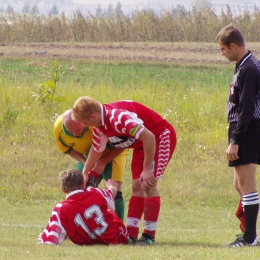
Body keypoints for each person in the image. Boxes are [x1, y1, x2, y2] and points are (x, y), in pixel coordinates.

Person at [71, 97, 177, 245]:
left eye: (86, 123)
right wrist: (85, 173)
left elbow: (149, 137)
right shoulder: (100, 126)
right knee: (136, 185)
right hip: (141, 144)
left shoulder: (118, 118)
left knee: (147, 184)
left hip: (159, 138)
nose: (86, 126)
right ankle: (131, 235)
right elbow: (96, 150)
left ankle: (148, 236)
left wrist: (147, 169)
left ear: (92, 116)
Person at [216, 24, 260, 247]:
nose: (222, 53)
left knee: (247, 183)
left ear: (233, 46)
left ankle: (250, 238)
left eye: (223, 49)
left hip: (247, 129)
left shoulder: (249, 69)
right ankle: (250, 231)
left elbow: (247, 108)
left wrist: (235, 141)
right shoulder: (242, 65)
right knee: (239, 184)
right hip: (243, 128)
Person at [53, 109, 128, 221]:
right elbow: (66, 148)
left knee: (113, 188)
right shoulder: (58, 129)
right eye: (71, 132)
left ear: (84, 121)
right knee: (76, 186)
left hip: (112, 153)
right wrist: (85, 162)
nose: (75, 134)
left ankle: (118, 228)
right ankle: (77, 224)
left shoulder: (96, 122)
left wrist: (103, 162)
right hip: (89, 157)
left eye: (78, 129)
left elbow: (123, 144)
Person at [38, 169, 129, 245]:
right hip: (113, 237)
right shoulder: (96, 193)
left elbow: (51, 241)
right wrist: (112, 185)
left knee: (66, 225)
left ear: (63, 190)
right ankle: (132, 238)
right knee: (110, 212)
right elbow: (111, 194)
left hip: (86, 240)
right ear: (82, 184)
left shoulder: (60, 208)